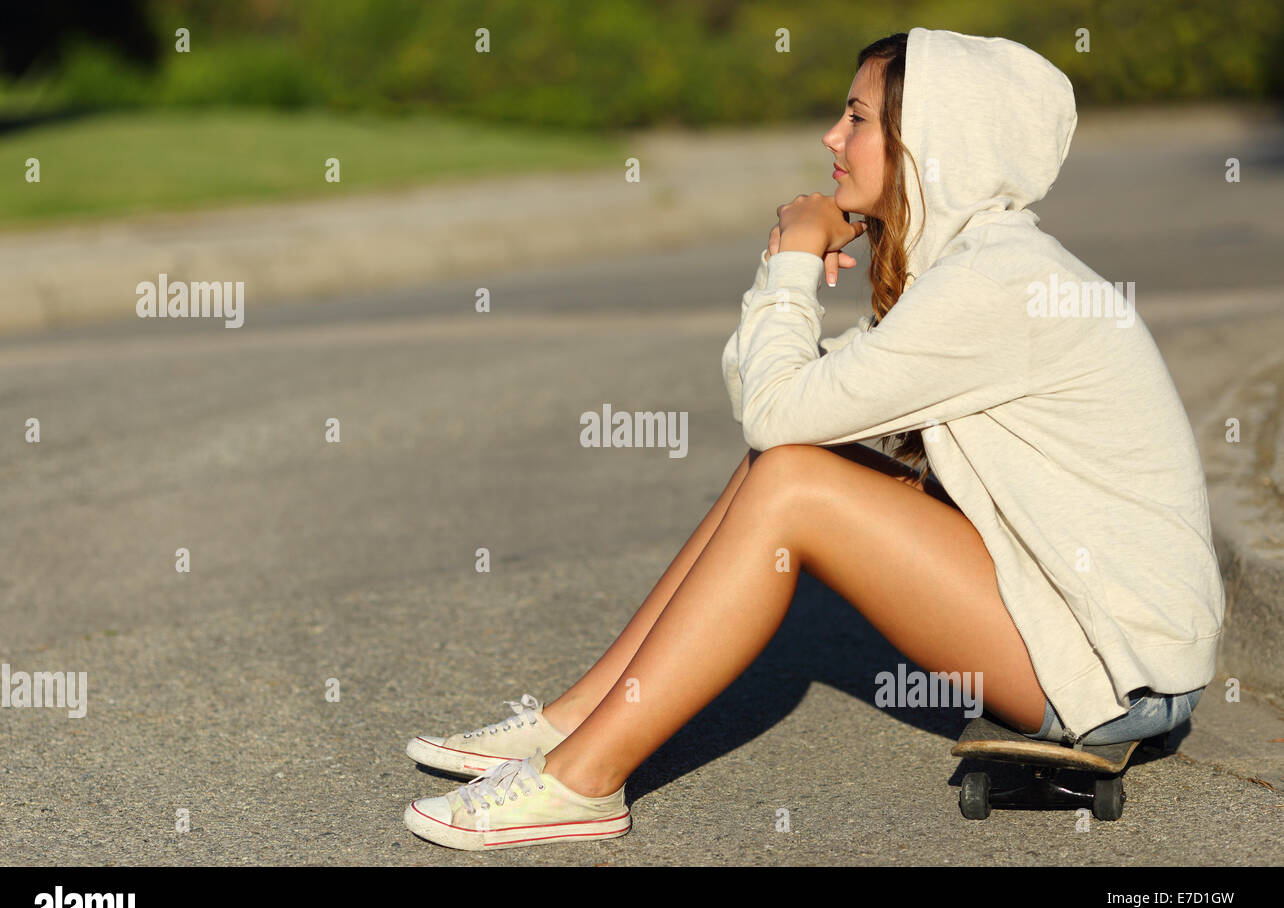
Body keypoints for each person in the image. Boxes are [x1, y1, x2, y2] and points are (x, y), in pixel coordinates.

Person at [403, 27, 1224, 851]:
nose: (832, 138)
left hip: (1119, 672)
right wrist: (783, 270)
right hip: (1082, 619)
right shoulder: (971, 266)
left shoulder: (993, 284)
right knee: (790, 465)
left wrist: (798, 255)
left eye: (857, 118)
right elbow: (773, 406)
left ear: (928, 144)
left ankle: (582, 782)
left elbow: (772, 407)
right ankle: (575, 722)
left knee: (795, 484)